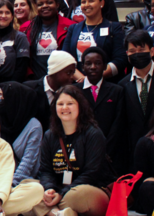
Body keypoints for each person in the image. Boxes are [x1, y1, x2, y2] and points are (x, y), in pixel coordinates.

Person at [33, 85, 115, 216]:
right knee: (30, 186)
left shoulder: (93, 134)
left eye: (70, 103)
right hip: (59, 189)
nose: (64, 108)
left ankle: (51, 211)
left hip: (91, 190)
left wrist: (61, 194)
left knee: (79, 194)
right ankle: (62, 213)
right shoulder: (50, 135)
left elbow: (91, 174)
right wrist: (49, 189)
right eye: (60, 104)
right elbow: (46, 170)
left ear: (80, 106)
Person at [62, 0, 127, 81]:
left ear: (102, 3)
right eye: (83, 2)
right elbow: (65, 58)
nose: (86, 5)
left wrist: (95, 77)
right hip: (79, 85)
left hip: (106, 84)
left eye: (91, 1)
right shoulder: (73, 28)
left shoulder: (114, 27)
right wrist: (81, 79)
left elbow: (120, 59)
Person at [119, 30, 154, 168]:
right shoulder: (122, 86)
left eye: (141, 49)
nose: (137, 54)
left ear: (151, 51)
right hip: (133, 154)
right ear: (127, 55)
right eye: (132, 51)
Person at [25, 50, 77, 131]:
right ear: (55, 71)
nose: (72, 77)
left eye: (73, 73)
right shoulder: (29, 89)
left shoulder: (72, 93)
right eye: (68, 73)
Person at [0, 0, 30, 83]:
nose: (3, 16)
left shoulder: (20, 37)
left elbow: (21, 67)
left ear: (12, 16)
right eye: (0, 12)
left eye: (7, 13)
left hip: (12, 84)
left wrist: (10, 86)